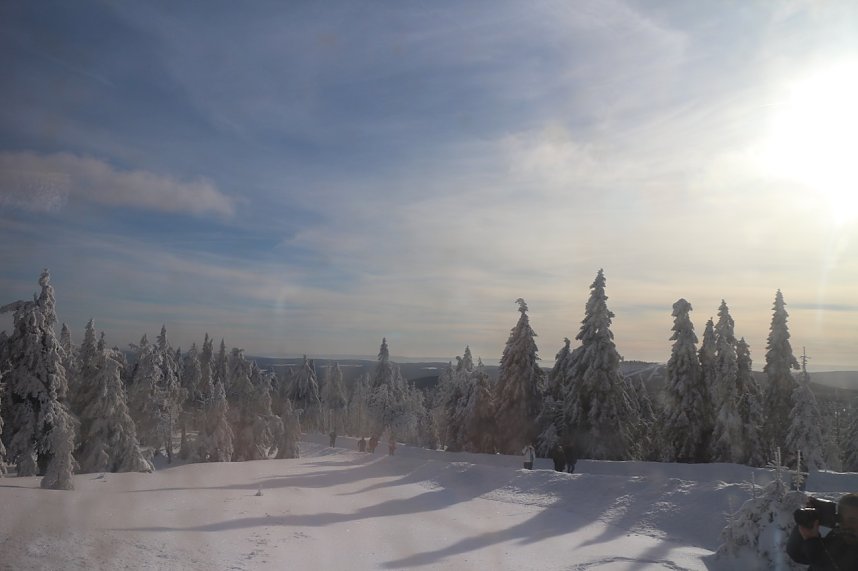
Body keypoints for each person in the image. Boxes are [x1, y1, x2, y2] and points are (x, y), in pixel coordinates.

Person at [787, 492, 858, 571]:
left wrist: (812, 542)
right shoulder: (837, 538)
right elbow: (797, 554)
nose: (846, 526)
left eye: (852, 520)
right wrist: (805, 524)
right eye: (841, 519)